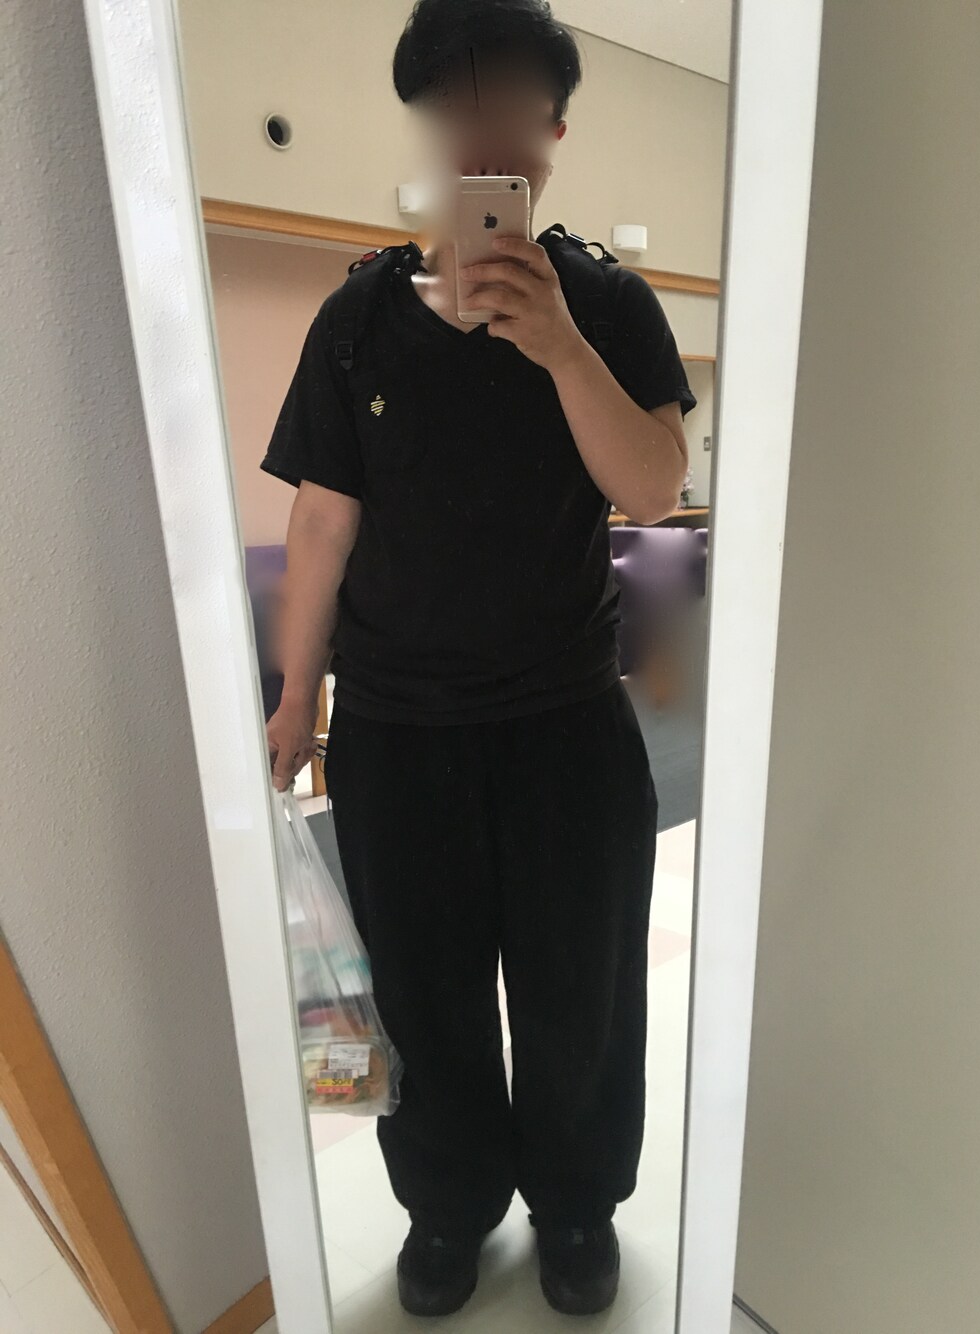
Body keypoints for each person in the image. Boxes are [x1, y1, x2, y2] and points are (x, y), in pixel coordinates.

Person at [263, 0, 695, 1317]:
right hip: (396, 735)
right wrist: (294, 697)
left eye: (513, 102)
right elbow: (321, 523)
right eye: (459, 102)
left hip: (566, 725)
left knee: (583, 994)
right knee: (423, 1000)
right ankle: (447, 1210)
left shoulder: (609, 304)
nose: (486, 129)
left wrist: (557, 342)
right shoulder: (353, 322)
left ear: (552, 130)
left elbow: (654, 488)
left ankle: (577, 1206)